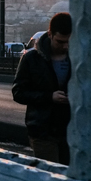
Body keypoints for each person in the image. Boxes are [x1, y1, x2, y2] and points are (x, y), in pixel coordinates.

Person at [12, 12, 72, 165]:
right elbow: (18, 92)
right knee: (52, 175)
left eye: (68, 42)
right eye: (60, 42)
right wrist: (49, 97)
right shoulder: (31, 59)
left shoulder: (77, 59)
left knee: (69, 180)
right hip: (43, 130)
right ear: (50, 35)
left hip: (70, 130)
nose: (65, 46)